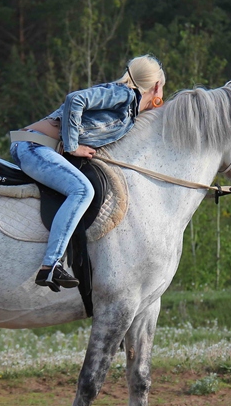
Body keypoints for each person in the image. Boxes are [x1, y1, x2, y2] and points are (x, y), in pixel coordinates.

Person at [9, 54, 166, 291]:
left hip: (39, 147)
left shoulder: (129, 112)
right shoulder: (123, 94)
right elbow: (75, 99)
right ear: (156, 87)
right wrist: (72, 146)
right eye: (162, 89)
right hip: (33, 145)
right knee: (82, 190)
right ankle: (50, 265)